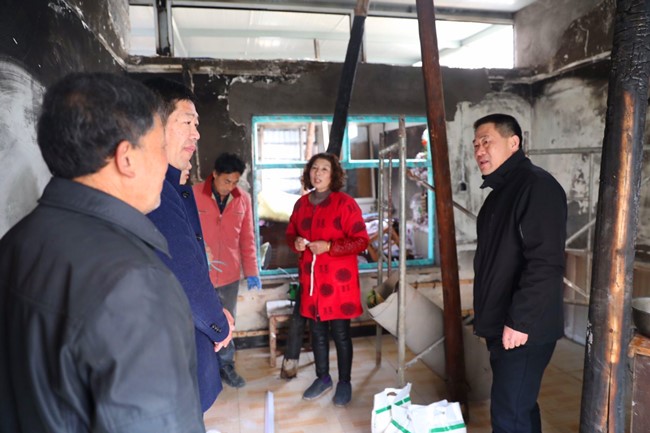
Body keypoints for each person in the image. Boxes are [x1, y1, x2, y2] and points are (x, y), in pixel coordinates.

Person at [0, 72, 205, 432]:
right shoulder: (135, 282)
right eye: (160, 148)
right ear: (126, 158)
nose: (166, 165)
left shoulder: (17, 240)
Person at [472, 113, 567, 433]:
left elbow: (545, 263)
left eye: (487, 141)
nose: (479, 150)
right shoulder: (502, 193)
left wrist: (520, 321)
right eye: (475, 144)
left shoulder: (536, 187)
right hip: (506, 323)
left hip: (524, 328)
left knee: (509, 416)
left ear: (514, 143)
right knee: (518, 408)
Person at [145, 77, 233, 412]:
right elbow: (184, 273)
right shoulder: (152, 189)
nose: (196, 134)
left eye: (197, 125)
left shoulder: (169, 185)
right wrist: (218, 325)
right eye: (187, 122)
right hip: (170, 357)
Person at [285, 152, 369, 407]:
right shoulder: (301, 204)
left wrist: (330, 246)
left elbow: (361, 241)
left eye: (324, 169)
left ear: (333, 176)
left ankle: (344, 382)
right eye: (314, 168)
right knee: (317, 332)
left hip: (338, 283)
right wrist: (296, 243)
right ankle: (323, 378)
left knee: (341, 334)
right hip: (311, 282)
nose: (317, 173)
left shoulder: (345, 204)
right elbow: (290, 234)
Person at [193, 152, 261, 388]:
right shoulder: (193, 195)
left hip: (229, 275)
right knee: (198, 322)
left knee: (227, 322)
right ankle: (203, 370)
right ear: (214, 174)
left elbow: (247, 239)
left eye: (234, 181)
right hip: (200, 274)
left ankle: (226, 365)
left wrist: (252, 272)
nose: (230, 186)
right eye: (226, 181)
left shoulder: (243, 200)